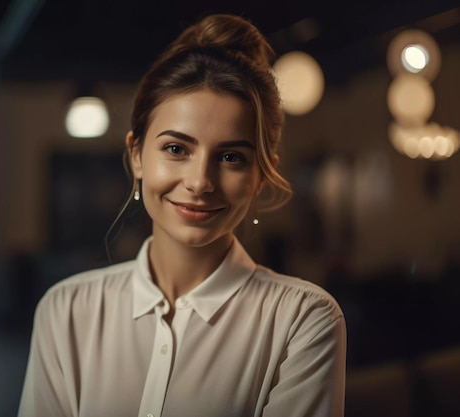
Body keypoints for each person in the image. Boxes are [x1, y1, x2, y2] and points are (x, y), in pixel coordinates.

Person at [18, 13, 346, 417]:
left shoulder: (303, 319)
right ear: (137, 155)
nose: (200, 182)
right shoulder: (66, 310)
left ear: (261, 174)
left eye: (230, 157)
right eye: (176, 149)